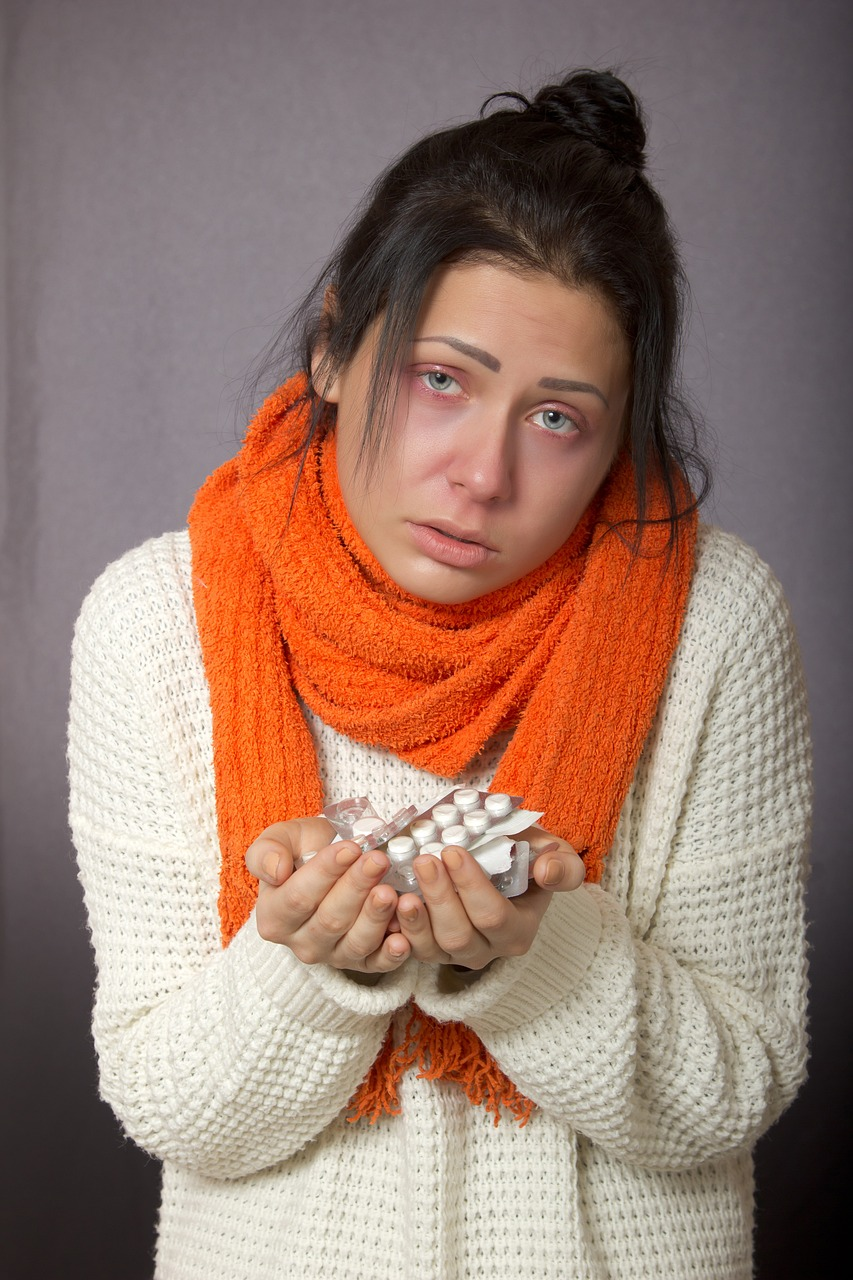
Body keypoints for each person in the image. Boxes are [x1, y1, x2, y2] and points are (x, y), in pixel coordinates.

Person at [68, 69, 811, 1280]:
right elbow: (172, 1104)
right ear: (331, 348)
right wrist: (310, 965)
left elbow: (735, 1086)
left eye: (558, 417)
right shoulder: (153, 620)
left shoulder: (714, 618)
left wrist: (538, 951)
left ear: (616, 435)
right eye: (441, 379)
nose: (484, 472)